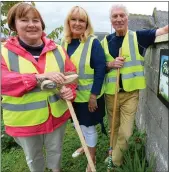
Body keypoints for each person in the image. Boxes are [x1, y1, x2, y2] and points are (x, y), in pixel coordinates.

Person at [1, 2, 77, 172]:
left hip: (56, 116)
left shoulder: (57, 49)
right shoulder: (4, 52)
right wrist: (39, 77)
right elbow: (3, 81)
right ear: (14, 25)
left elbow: (71, 75)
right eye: (24, 20)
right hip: (25, 121)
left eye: (36, 20)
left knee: (55, 152)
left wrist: (69, 90)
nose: (31, 24)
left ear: (41, 24)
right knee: (34, 158)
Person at [101, 4, 168, 167]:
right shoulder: (104, 41)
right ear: (111, 20)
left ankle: (114, 162)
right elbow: (98, 66)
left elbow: (163, 31)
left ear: (127, 18)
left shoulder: (138, 37)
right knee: (114, 128)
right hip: (111, 93)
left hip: (130, 94)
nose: (118, 19)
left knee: (126, 131)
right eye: (115, 16)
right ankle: (115, 153)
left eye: (121, 15)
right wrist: (110, 64)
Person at [61, 6, 106, 172]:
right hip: (71, 96)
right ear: (68, 22)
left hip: (88, 97)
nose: (78, 23)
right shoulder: (64, 43)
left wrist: (93, 96)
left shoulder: (92, 42)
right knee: (78, 125)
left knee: (88, 127)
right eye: (74, 19)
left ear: (87, 24)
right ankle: (85, 147)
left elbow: (100, 70)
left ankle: (91, 157)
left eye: (82, 20)